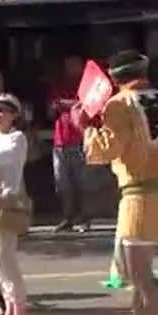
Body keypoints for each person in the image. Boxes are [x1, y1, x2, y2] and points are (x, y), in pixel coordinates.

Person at [83, 50, 158, 315]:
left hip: (140, 193)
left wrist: (87, 127)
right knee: (140, 271)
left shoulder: (119, 104)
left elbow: (107, 149)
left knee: (139, 273)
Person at [0, 94, 31, 315]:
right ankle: (9, 307)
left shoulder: (17, 138)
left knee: (5, 256)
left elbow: (1, 163)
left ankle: (19, 307)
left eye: (3, 111)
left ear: (14, 115)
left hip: (9, 200)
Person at [50, 54, 90, 232]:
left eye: (74, 64)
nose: (70, 67)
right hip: (60, 140)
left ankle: (83, 218)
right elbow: (52, 107)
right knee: (62, 182)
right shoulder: (58, 85)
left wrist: (66, 104)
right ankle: (68, 216)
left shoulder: (86, 85)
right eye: (68, 64)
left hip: (80, 138)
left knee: (81, 181)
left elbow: (87, 105)